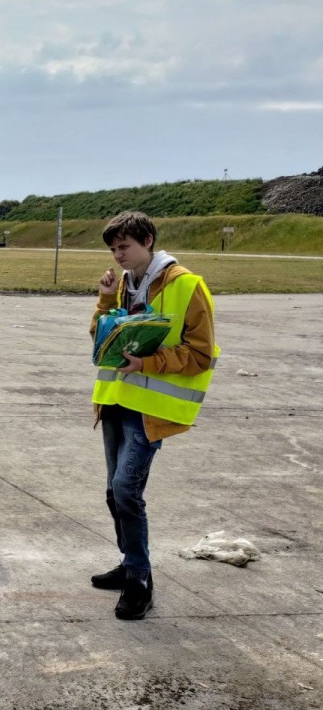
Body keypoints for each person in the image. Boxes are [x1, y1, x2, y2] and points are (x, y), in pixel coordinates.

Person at [89, 211, 218, 620]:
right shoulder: (124, 284)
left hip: (150, 412)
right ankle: (130, 562)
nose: (118, 255)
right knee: (115, 492)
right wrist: (106, 300)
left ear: (147, 240)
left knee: (126, 491)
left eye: (124, 246)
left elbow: (201, 354)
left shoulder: (187, 285)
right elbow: (99, 337)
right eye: (113, 249)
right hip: (115, 401)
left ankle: (140, 580)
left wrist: (150, 364)